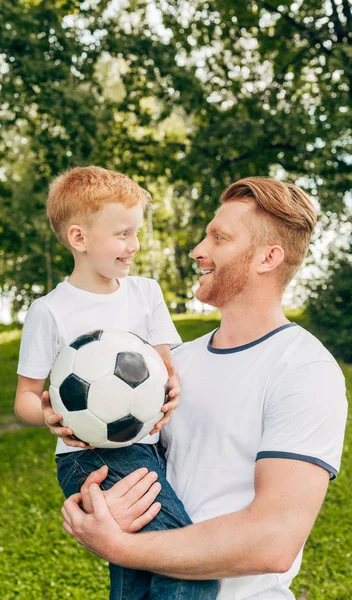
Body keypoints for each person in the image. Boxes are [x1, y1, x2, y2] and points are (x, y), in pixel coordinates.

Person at [61, 176, 348, 600]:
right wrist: (96, 499)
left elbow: (275, 540)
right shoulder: (169, 365)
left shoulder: (304, 369)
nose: (198, 250)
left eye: (219, 238)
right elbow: (139, 470)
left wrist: (123, 548)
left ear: (267, 257)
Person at [14, 166, 219, 600]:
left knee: (139, 572)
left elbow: (166, 366)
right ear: (79, 239)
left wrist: (173, 388)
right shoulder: (50, 311)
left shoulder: (145, 293)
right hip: (89, 459)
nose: (135, 245)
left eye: (136, 232)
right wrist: (48, 416)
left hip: (148, 449)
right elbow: (26, 398)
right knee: (191, 564)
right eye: (123, 234)